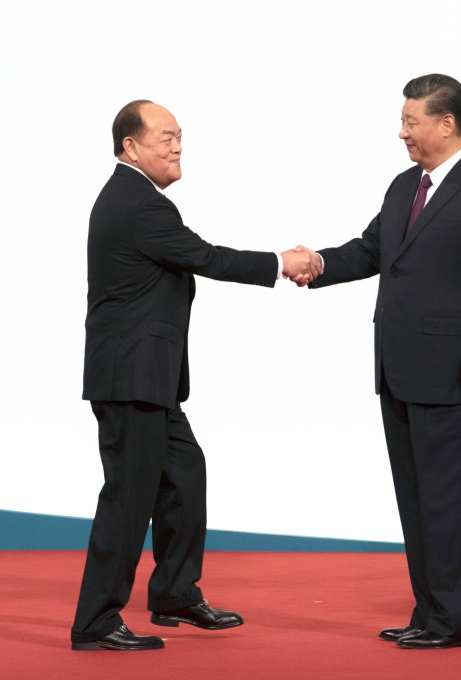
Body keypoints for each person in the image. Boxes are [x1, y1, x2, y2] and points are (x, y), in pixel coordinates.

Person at [71, 100, 321, 651]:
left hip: (150, 379)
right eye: (165, 137)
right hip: (130, 378)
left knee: (185, 475)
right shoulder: (138, 204)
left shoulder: (138, 201)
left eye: (180, 136)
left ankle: (175, 593)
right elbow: (206, 257)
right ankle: (94, 621)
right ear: (130, 145)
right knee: (128, 498)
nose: (177, 145)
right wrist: (280, 262)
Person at [309, 74, 461, 649]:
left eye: (411, 121)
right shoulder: (405, 186)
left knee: (449, 500)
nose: (402, 131)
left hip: (456, 377)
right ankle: (429, 612)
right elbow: (373, 250)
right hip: (399, 370)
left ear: (446, 123)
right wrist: (319, 264)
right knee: (416, 498)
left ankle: (455, 621)